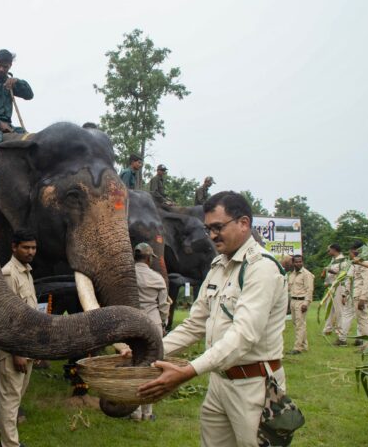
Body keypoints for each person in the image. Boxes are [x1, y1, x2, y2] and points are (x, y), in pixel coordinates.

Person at [138, 191, 288, 447]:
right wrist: (149, 352)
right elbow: (194, 324)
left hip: (253, 386)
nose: (212, 235)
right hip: (219, 381)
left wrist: (187, 371)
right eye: (209, 229)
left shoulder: (261, 268)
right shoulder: (219, 266)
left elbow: (243, 336)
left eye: (218, 227)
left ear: (244, 223)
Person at [0, 229, 38, 447]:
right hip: (14, 349)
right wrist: (17, 352)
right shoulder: (8, 274)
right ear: (14, 247)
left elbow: (30, 314)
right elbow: (8, 318)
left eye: (33, 247)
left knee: (17, 397)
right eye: (26, 247)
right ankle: (10, 445)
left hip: (28, 347)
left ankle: (6, 440)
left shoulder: (27, 272)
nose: (31, 252)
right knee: (10, 400)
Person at [130, 243, 169, 422]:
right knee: (152, 368)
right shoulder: (157, 278)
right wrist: (164, 323)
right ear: (148, 258)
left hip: (133, 324)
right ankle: (147, 412)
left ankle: (135, 412)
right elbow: (163, 305)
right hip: (153, 324)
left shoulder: (127, 277)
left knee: (135, 366)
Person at [342, 241, 368, 346]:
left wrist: (362, 298)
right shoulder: (358, 262)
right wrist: (346, 293)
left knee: (363, 321)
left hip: (362, 296)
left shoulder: (365, 262)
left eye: (351, 251)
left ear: (356, 250)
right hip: (359, 295)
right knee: (366, 319)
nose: (350, 253)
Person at [286, 254, 314, 355]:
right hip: (293, 301)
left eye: (300, 261)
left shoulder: (306, 274)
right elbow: (289, 288)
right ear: (293, 263)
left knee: (299, 325)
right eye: (296, 261)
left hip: (301, 301)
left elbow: (309, 290)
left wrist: (306, 303)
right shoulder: (292, 274)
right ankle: (304, 346)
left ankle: (297, 348)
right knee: (298, 324)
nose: (298, 263)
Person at [321, 244, 350, 336]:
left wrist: (330, 270)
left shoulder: (343, 260)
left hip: (339, 286)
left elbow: (344, 274)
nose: (328, 252)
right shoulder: (333, 260)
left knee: (338, 309)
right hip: (331, 286)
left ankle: (339, 330)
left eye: (329, 250)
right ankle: (328, 329)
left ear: (334, 250)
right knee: (328, 309)